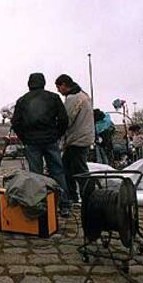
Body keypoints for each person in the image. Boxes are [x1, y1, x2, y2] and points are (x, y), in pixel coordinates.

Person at [11, 73, 71, 216]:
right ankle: (64, 205)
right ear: (43, 82)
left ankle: (40, 205)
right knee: (57, 172)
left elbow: (15, 123)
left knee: (35, 176)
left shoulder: (22, 101)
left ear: (29, 83)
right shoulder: (53, 98)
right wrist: (57, 135)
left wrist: (24, 138)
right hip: (50, 140)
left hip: (32, 142)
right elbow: (63, 119)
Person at [55, 74, 95, 203]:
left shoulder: (73, 98)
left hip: (77, 139)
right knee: (71, 168)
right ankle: (78, 196)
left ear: (64, 85)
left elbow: (66, 120)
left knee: (77, 170)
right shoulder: (83, 95)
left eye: (58, 87)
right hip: (83, 137)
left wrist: (56, 131)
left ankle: (86, 196)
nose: (58, 91)